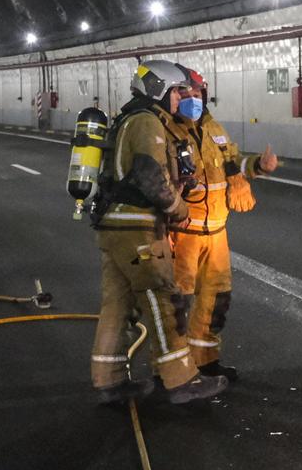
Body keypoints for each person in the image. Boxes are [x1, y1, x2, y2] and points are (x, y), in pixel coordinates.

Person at [87, 60, 227, 406]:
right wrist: (177, 209)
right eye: (178, 91)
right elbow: (150, 175)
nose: (182, 98)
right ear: (159, 89)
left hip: (114, 225)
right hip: (138, 228)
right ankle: (181, 381)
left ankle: (109, 379)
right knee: (163, 298)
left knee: (117, 306)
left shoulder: (128, 118)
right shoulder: (147, 121)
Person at [167, 66, 280, 387]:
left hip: (216, 233)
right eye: (185, 93)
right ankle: (176, 372)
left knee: (215, 301)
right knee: (177, 305)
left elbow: (234, 163)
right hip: (183, 233)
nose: (192, 98)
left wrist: (259, 166)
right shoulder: (167, 130)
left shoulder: (214, 129)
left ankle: (205, 362)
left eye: (197, 92)